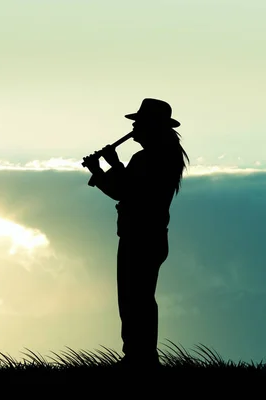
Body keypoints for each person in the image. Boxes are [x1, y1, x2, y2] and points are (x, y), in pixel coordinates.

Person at [82, 98, 189, 369]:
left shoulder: (151, 158)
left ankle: (139, 358)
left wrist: (112, 165)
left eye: (138, 123)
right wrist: (100, 170)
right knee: (137, 298)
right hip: (147, 235)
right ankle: (139, 356)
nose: (133, 127)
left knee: (135, 299)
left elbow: (127, 191)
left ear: (152, 126)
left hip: (141, 236)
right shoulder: (163, 155)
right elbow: (124, 190)